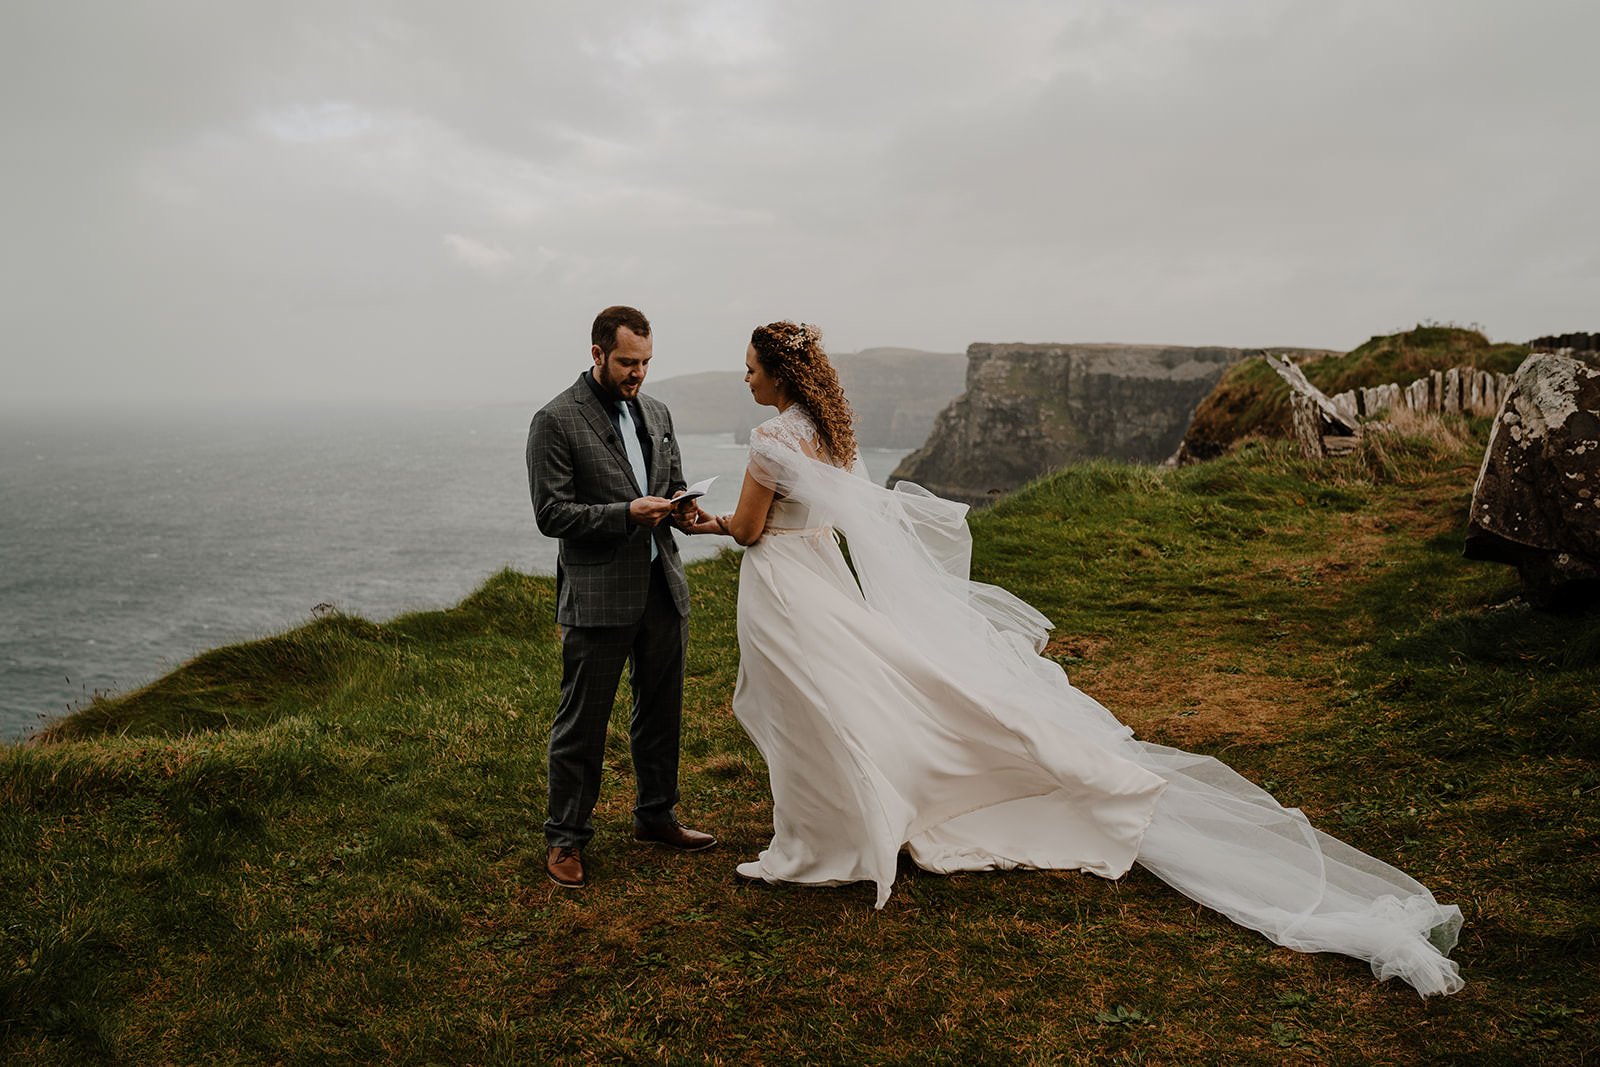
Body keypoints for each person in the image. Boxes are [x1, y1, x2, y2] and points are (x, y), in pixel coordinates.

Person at [681, 320, 1463, 997]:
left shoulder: (771, 438)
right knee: (847, 699)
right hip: (825, 571)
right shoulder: (828, 432)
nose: (744, 378)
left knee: (814, 708)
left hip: (789, 585)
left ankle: (822, 840)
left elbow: (751, 530)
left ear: (778, 374)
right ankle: (846, 822)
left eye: (751, 368)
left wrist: (696, 518)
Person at [526, 305, 716, 889]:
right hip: (599, 595)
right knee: (582, 723)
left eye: (646, 363)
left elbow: (672, 483)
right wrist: (624, 514)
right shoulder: (555, 420)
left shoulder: (656, 412)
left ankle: (656, 817)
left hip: (663, 587)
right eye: (628, 362)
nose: (638, 374)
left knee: (661, 712)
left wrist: (684, 508)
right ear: (597, 354)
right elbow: (551, 514)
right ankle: (565, 839)